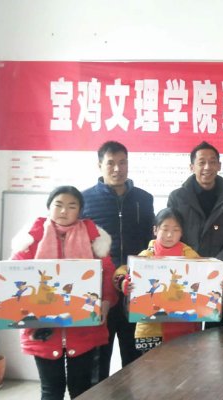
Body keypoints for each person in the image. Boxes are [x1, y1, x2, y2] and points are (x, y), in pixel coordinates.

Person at [0, 186, 117, 399]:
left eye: (72, 206)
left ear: (80, 211)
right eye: (58, 205)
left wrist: (107, 302)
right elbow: (9, 272)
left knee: (82, 389)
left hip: (84, 329)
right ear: (49, 207)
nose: (64, 211)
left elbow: (108, 273)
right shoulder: (32, 237)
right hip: (42, 330)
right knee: (50, 390)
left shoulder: (94, 239)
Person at [81, 140, 154, 380]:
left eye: (122, 163)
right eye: (110, 163)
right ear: (99, 165)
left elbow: (151, 241)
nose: (117, 169)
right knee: (98, 358)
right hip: (100, 289)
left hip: (135, 287)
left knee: (134, 357)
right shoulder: (85, 200)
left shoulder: (144, 199)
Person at [167, 141, 223, 328]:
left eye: (212, 162)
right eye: (201, 162)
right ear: (192, 167)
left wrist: (218, 263)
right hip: (186, 275)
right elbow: (171, 233)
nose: (207, 167)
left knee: (216, 334)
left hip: (220, 277)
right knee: (186, 332)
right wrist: (191, 260)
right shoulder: (177, 198)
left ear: (219, 166)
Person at [114, 208, 202, 354]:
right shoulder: (146, 256)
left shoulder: (191, 256)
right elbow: (123, 273)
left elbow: (205, 279)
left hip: (185, 327)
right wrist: (124, 283)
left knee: (184, 365)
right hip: (150, 330)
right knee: (152, 366)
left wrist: (219, 285)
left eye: (175, 230)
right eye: (165, 229)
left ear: (182, 233)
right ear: (155, 230)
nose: (170, 235)